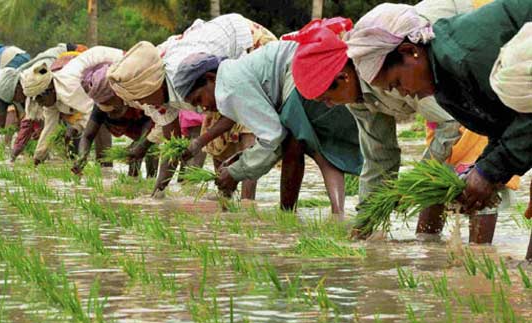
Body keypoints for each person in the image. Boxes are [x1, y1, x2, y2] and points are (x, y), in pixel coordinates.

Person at [283, 1, 516, 242]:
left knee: (472, 168)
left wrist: (415, 181)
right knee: (436, 177)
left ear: (343, 77)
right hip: (437, 89)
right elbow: (379, 158)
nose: (329, 106)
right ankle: (429, 251)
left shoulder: (387, 65)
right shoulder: (358, 96)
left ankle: (479, 260)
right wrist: (365, 223)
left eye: (326, 99)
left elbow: (450, 123)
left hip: (470, 55)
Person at [345, 0, 531, 237]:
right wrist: (484, 170)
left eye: (397, 83)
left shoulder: (465, 59)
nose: (403, 93)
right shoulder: (443, 85)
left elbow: (527, 118)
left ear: (410, 52)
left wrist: (488, 173)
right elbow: (502, 127)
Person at [174, 40, 362, 214]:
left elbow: (273, 136)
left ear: (210, 78)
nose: (203, 108)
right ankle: (338, 215)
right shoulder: (230, 77)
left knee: (295, 144)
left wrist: (236, 172)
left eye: (199, 99)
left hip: (298, 74)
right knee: (322, 152)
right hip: (304, 66)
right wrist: (239, 161)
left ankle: (288, 213)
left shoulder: (229, 88)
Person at [107, 14, 276, 198]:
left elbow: (235, 110)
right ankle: (226, 196)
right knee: (215, 142)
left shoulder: (185, 70)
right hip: (217, 79)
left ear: (154, 85)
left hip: (248, 44)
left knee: (247, 126)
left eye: (141, 98)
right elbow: (172, 144)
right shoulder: (154, 95)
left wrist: (198, 142)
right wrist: (157, 194)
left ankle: (247, 203)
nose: (142, 104)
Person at [19, 47, 113, 165]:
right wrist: (38, 158)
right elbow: (49, 129)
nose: (39, 103)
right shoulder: (51, 99)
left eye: (39, 98)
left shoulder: (69, 88)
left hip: (112, 71)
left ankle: (106, 167)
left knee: (100, 124)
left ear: (48, 90)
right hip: (98, 86)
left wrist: (76, 128)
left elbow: (93, 112)